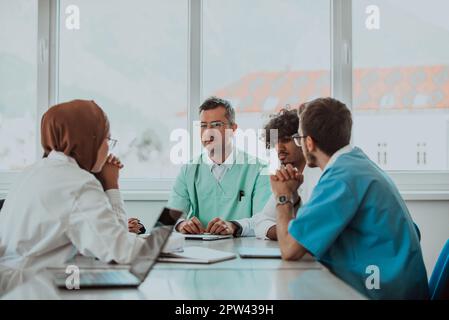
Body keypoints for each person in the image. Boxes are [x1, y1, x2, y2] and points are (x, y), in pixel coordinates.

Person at [270, 97, 429, 299]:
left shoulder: (342, 178)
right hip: (392, 284)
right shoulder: (355, 163)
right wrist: (292, 195)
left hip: (380, 292)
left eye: (299, 139)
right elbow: (306, 238)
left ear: (308, 143)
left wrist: (282, 196)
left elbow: (290, 249)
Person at [0, 100, 149, 292]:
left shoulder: (32, 172)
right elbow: (117, 250)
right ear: (90, 140)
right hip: (35, 289)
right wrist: (111, 185)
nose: (108, 149)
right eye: (107, 139)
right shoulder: (77, 183)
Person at [168, 97, 271, 236]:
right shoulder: (189, 169)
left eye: (216, 125)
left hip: (243, 250)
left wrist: (234, 226)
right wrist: (181, 224)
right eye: (203, 125)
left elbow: (264, 221)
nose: (208, 132)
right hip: (199, 252)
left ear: (233, 129)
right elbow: (170, 217)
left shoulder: (259, 169)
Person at [251, 108, 321, 240]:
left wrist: (285, 231)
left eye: (286, 140)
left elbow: (312, 229)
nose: (280, 148)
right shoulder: (286, 177)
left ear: (302, 140)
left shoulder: (320, 175)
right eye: (276, 142)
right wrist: (285, 234)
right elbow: (261, 223)